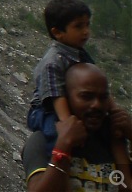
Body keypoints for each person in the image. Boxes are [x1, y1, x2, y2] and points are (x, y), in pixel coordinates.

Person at [22, 62, 132, 191]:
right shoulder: (41, 141)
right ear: (66, 99)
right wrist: (63, 148)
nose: (96, 105)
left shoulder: (112, 141)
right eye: (86, 97)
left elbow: (126, 186)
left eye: (103, 98)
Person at [27, 0, 95, 152]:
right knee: (56, 133)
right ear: (57, 32)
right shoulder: (53, 62)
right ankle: (58, 161)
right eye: (78, 26)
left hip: (72, 105)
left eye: (87, 25)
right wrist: (67, 123)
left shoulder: (80, 54)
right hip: (46, 111)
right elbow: (56, 97)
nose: (86, 32)